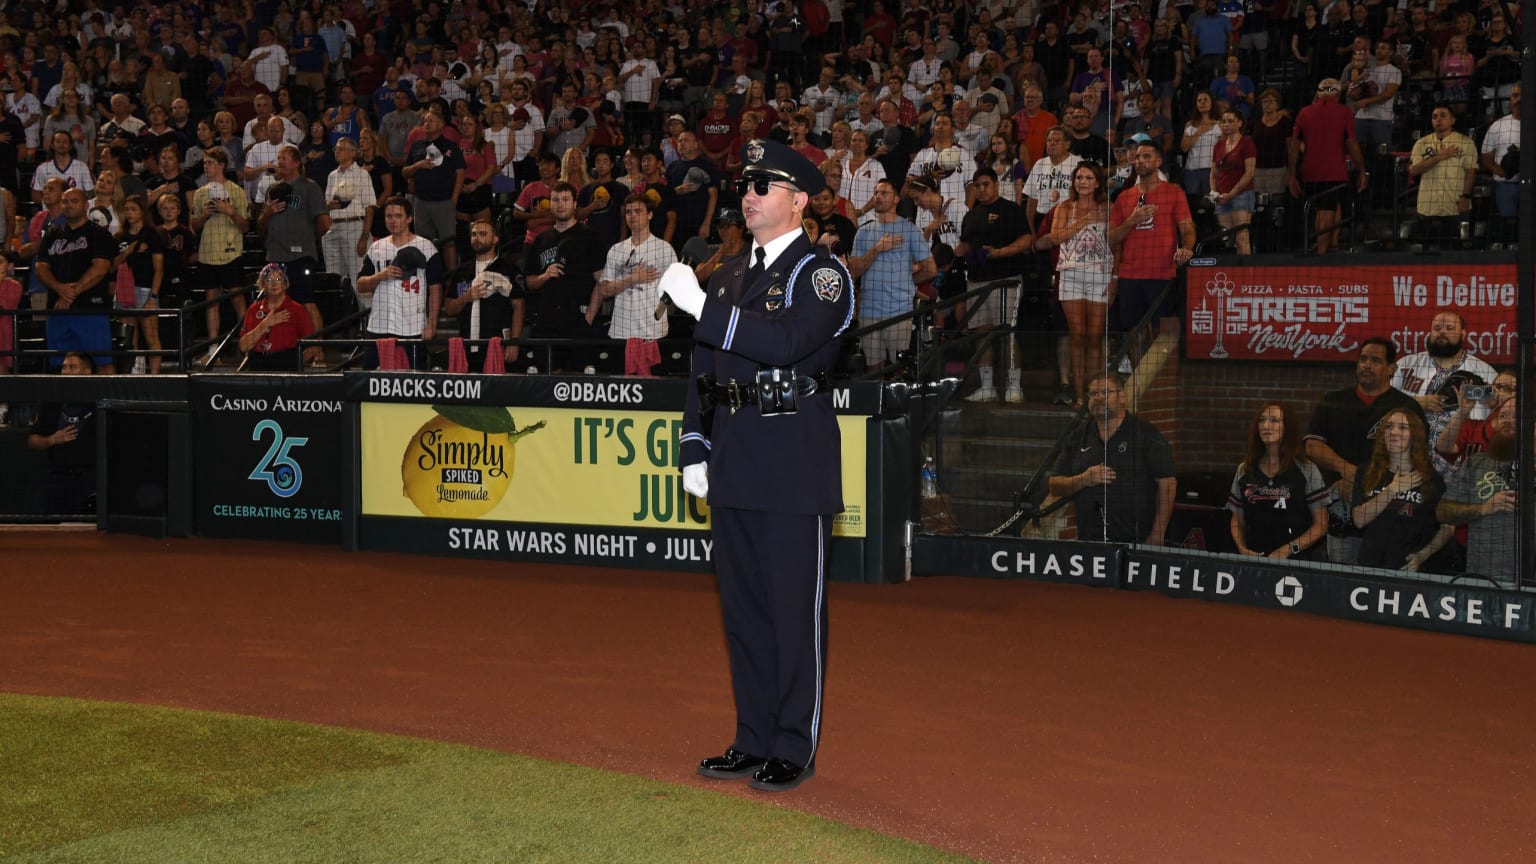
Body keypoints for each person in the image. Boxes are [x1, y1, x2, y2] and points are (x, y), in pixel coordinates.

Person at [657, 138, 854, 793]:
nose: (747, 194)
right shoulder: (732, 273)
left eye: (763, 186)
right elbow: (704, 373)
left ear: (798, 202)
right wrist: (694, 446)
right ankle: (753, 737)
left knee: (794, 615)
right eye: (745, 184)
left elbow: (789, 344)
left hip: (793, 460)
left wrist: (700, 309)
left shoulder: (820, 273)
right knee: (742, 613)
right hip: (737, 458)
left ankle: (794, 746)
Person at [1303, 337, 1426, 563]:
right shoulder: (1335, 400)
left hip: (1387, 510)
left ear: (1392, 368)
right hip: (1341, 503)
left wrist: (1364, 481)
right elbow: (1312, 445)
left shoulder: (1406, 407)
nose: (1367, 365)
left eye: (1376, 360)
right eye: (1363, 359)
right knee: (1341, 575)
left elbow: (1417, 458)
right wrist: (1350, 472)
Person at [1048, 371, 1176, 544]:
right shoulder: (1079, 436)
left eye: (1106, 392)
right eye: (1093, 394)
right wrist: (1083, 479)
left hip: (1135, 541)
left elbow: (1167, 484)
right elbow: (1054, 484)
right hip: (1090, 542)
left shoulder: (1146, 435)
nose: (1099, 398)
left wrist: (1158, 534)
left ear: (1122, 396)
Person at [1107, 141, 1194, 365]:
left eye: (1146, 156)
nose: (1140, 161)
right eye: (1136, 157)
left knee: (1161, 330)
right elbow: (1111, 238)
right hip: (1130, 274)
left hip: (1162, 273)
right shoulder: (1124, 197)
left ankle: (1158, 378)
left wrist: (1187, 248)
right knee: (1133, 330)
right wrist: (1132, 221)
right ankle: (1137, 374)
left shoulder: (1173, 193)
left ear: (1158, 161)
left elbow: (1187, 229)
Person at [1034, 162, 1112, 409]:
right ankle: (1080, 396)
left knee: (1094, 337)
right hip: (1070, 276)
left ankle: (1096, 394)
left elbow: (1117, 241)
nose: (1083, 182)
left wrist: (1116, 278)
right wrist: (1084, 220)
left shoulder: (1107, 207)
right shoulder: (1065, 207)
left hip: (1099, 275)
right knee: (1077, 337)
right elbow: (1055, 237)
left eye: (1089, 177)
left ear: (1097, 182)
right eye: (1079, 177)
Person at [955, 166, 1033, 404]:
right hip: (976, 281)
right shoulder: (971, 215)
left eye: (985, 184)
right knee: (981, 333)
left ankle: (1013, 385)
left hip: (1005, 279)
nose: (981, 189)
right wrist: (956, 253)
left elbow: (1027, 239)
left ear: (996, 184)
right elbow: (966, 245)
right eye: (977, 185)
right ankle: (987, 387)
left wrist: (1001, 252)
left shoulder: (1010, 210)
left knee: (1007, 332)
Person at [1388, 310, 1496, 477]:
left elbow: (1496, 415)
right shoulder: (1406, 364)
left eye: (1450, 328)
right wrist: (1416, 402)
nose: (1442, 332)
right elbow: (1383, 401)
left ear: (1463, 334)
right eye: (1437, 328)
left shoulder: (1484, 371)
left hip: (1463, 467)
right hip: (1408, 462)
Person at [847, 178, 935, 373]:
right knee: (873, 368)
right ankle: (875, 405)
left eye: (884, 193)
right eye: (876, 193)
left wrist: (906, 281)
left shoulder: (910, 230)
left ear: (896, 199)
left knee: (899, 367)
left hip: (899, 310)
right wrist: (877, 249)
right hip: (869, 310)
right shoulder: (863, 232)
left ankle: (898, 404)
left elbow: (930, 268)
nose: (878, 197)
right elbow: (852, 270)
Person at [1349, 409, 1453, 572]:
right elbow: (1359, 520)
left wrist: (1423, 555)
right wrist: (1392, 490)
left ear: (1415, 436)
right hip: (1370, 567)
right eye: (1389, 427)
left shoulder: (1431, 479)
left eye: (1403, 428)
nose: (1394, 432)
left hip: (1408, 571)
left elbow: (1448, 527)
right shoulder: (1367, 471)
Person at [1227, 401, 1329, 560]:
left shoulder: (1307, 469)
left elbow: (1321, 525)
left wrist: (1289, 549)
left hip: (1294, 561)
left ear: (1287, 427)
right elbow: (1236, 519)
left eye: (1274, 420)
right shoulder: (1244, 469)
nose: (1266, 425)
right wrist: (1241, 548)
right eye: (1262, 420)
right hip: (1255, 558)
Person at [355, 196, 444, 370]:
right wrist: (380, 276)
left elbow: (436, 288)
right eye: (389, 216)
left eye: (398, 216)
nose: (393, 220)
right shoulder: (377, 247)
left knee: (413, 382)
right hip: (379, 324)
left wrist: (432, 323)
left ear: (409, 218)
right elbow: (360, 285)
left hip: (413, 325)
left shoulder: (426, 247)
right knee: (372, 381)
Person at [1438, 398, 1520, 584]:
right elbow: (1443, 512)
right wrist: (1483, 508)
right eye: (1503, 416)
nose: (1508, 420)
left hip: (1528, 575)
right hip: (1481, 574)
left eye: (1516, 416)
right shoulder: (1475, 462)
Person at [593, 193, 676, 376]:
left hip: (653, 333)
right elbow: (605, 290)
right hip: (621, 332)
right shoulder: (616, 250)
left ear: (650, 215)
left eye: (638, 211)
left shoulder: (664, 249)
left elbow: (674, 292)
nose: (633, 216)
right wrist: (632, 279)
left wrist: (658, 315)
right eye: (629, 212)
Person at [522, 181, 605, 367]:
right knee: (543, 381)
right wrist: (544, 276)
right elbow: (530, 282)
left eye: (566, 199)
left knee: (578, 382)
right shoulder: (541, 240)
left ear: (575, 204)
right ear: (550, 204)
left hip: (578, 319)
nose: (561, 204)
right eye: (556, 200)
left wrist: (589, 317)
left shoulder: (590, 236)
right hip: (547, 320)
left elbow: (601, 280)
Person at [37, 188, 116, 373]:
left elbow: (101, 268)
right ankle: (66, 402)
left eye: (74, 201)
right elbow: (40, 267)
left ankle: (109, 402)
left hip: (90, 309)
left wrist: (71, 293)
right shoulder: (52, 233)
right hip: (58, 311)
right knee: (60, 365)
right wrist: (59, 289)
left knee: (102, 362)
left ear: (86, 205)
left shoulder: (98, 233)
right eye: (65, 201)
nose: (68, 205)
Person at [1287, 77, 1367, 254]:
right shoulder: (1343, 112)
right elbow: (1352, 143)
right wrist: (1362, 170)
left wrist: (1292, 175)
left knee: (1322, 208)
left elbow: (1293, 147)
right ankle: (1321, 253)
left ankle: (1328, 244)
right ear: (1338, 94)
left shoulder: (1304, 112)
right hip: (1333, 171)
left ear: (1318, 92)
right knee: (1327, 210)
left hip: (1309, 171)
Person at [258, 144, 329, 338]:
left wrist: (307, 239)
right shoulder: (272, 189)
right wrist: (268, 213)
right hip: (275, 256)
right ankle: (281, 348)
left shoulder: (309, 187)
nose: (279, 162)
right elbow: (261, 229)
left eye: (283, 158)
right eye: (278, 159)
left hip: (301, 256)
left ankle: (319, 349)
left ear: (297, 162)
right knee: (275, 305)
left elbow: (324, 223)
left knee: (307, 302)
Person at [190, 147, 250, 361]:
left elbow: (245, 226)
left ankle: (247, 348)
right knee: (211, 301)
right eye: (205, 163)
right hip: (207, 253)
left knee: (238, 299)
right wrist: (205, 215)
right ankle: (213, 350)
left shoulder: (237, 192)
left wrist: (230, 212)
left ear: (222, 165)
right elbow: (193, 226)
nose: (206, 167)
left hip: (231, 253)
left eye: (210, 163)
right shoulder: (200, 193)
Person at [442, 219, 522, 368]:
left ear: (495, 239)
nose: (477, 238)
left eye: (483, 234)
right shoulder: (462, 271)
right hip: (466, 344)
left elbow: (519, 306)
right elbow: (450, 309)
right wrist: (467, 297)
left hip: (498, 344)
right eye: (473, 234)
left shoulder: (508, 268)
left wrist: (514, 342)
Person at [27, 351, 98, 514]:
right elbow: (32, 440)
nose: (65, 372)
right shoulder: (52, 402)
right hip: (59, 478)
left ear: (87, 372)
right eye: (64, 367)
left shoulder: (99, 402)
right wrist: (52, 440)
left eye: (72, 367)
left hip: (90, 479)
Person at [402, 107, 465, 274]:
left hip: (444, 201)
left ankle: (451, 278)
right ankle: (426, 276)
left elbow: (460, 173)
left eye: (431, 121)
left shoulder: (450, 146)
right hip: (421, 201)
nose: (427, 123)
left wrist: (454, 199)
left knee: (448, 241)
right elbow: (405, 171)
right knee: (423, 242)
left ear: (441, 125)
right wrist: (417, 166)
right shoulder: (417, 146)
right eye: (425, 121)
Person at [1407, 105, 1476, 249]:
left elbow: (1471, 171)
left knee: (1457, 250)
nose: (1438, 119)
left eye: (1443, 115)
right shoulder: (1421, 143)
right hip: (1428, 206)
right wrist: (1440, 156)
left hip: (1455, 204)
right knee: (1427, 252)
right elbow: (1413, 170)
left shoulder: (1465, 142)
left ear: (1453, 120)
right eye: (1435, 116)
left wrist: (1466, 196)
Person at [112, 195, 163, 374]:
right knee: (128, 335)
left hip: (145, 290)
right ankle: (134, 373)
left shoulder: (152, 235)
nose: (129, 213)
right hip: (124, 291)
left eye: (133, 209)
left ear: (142, 212)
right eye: (127, 210)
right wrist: (126, 252)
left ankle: (156, 377)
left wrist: (153, 296)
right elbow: (112, 267)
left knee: (151, 337)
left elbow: (159, 269)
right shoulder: (120, 237)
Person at [321, 136, 377, 289]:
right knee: (335, 280)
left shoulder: (362, 175)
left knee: (357, 279)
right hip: (333, 228)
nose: (337, 151)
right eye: (336, 149)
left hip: (354, 227)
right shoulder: (332, 176)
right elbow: (325, 204)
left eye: (341, 149)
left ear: (353, 153)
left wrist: (364, 236)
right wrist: (329, 205)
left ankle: (365, 312)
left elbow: (370, 207)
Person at [238, 262, 315, 371]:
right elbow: (243, 347)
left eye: (279, 279)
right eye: (269, 280)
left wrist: (294, 365)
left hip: (287, 364)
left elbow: (312, 347)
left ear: (285, 283)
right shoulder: (253, 309)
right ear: (263, 284)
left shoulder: (297, 310)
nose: (274, 284)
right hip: (259, 365)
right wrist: (265, 324)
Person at [1210, 109, 1256, 255]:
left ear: (1239, 123)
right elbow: (1213, 173)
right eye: (1223, 121)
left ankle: (1246, 274)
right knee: (1226, 239)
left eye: (1230, 121)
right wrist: (1214, 193)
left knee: (1242, 238)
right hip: (1222, 196)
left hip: (1242, 194)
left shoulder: (1247, 143)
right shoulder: (1218, 146)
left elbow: (1250, 173)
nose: (1226, 124)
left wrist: (1231, 194)